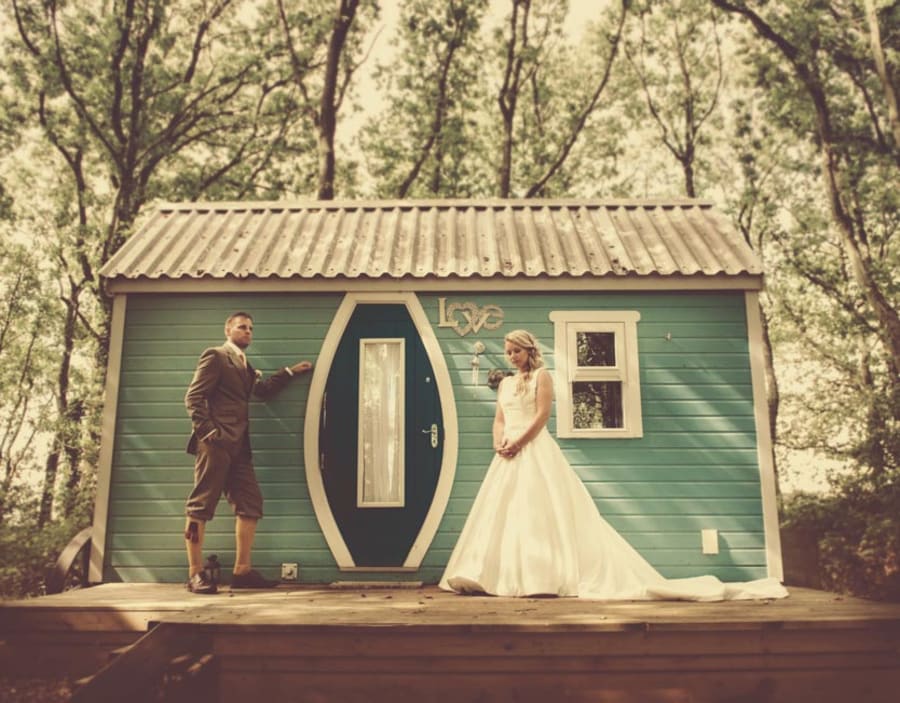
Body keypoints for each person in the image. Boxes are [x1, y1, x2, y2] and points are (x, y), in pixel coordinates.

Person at [440, 329, 788, 601]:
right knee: (504, 512)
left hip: (531, 447)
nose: (512, 356)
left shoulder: (542, 376)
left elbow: (543, 415)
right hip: (506, 453)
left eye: (517, 350)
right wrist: (499, 441)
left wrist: (518, 441)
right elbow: (499, 418)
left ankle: (541, 577)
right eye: (509, 352)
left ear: (529, 351)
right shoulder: (506, 383)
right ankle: (491, 575)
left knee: (539, 509)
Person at [183, 311, 313, 594]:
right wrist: (209, 433)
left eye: (251, 328)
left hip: (240, 447)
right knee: (201, 505)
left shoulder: (244, 364)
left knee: (250, 503)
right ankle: (195, 573)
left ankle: (242, 571)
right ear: (228, 329)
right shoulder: (216, 356)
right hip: (215, 445)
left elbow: (262, 391)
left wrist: (290, 372)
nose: (248, 332)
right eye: (242, 327)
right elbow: (193, 397)